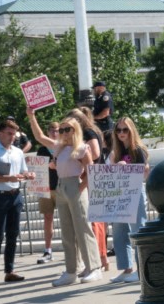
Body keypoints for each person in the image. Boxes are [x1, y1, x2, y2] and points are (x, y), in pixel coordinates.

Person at [28, 109, 102, 286]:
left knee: (83, 229)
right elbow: (39, 136)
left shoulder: (83, 148)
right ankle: (71, 270)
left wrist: (80, 188)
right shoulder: (58, 148)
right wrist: (31, 116)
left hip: (76, 187)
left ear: (75, 130)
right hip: (61, 187)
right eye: (61, 130)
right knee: (67, 232)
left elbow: (91, 172)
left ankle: (94, 267)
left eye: (66, 129)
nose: (62, 133)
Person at [0, 118, 34, 286]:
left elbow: (23, 170)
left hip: (15, 195)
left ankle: (9, 271)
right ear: (0, 133)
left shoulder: (18, 152)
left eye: (15, 134)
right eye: (9, 134)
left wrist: (28, 175)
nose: (13, 137)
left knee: (13, 234)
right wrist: (8, 177)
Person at [108, 116, 150, 284]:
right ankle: (127, 268)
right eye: (118, 130)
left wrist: (126, 168)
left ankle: (142, 269)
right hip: (121, 192)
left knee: (138, 229)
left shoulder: (137, 149)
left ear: (131, 130)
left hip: (135, 191)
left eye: (125, 130)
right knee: (119, 230)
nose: (121, 133)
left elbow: (143, 171)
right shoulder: (118, 151)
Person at [68, 106, 110, 271]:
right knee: (96, 221)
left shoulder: (88, 133)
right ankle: (101, 259)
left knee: (93, 223)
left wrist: (76, 158)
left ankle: (98, 259)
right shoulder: (93, 131)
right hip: (93, 177)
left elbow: (95, 153)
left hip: (91, 179)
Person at [35, 122, 62, 264]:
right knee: (47, 217)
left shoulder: (63, 146)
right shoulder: (42, 149)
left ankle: (72, 250)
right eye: (51, 130)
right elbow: (38, 167)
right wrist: (48, 165)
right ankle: (48, 250)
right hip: (46, 187)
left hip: (61, 186)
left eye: (57, 130)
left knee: (66, 219)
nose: (54, 133)